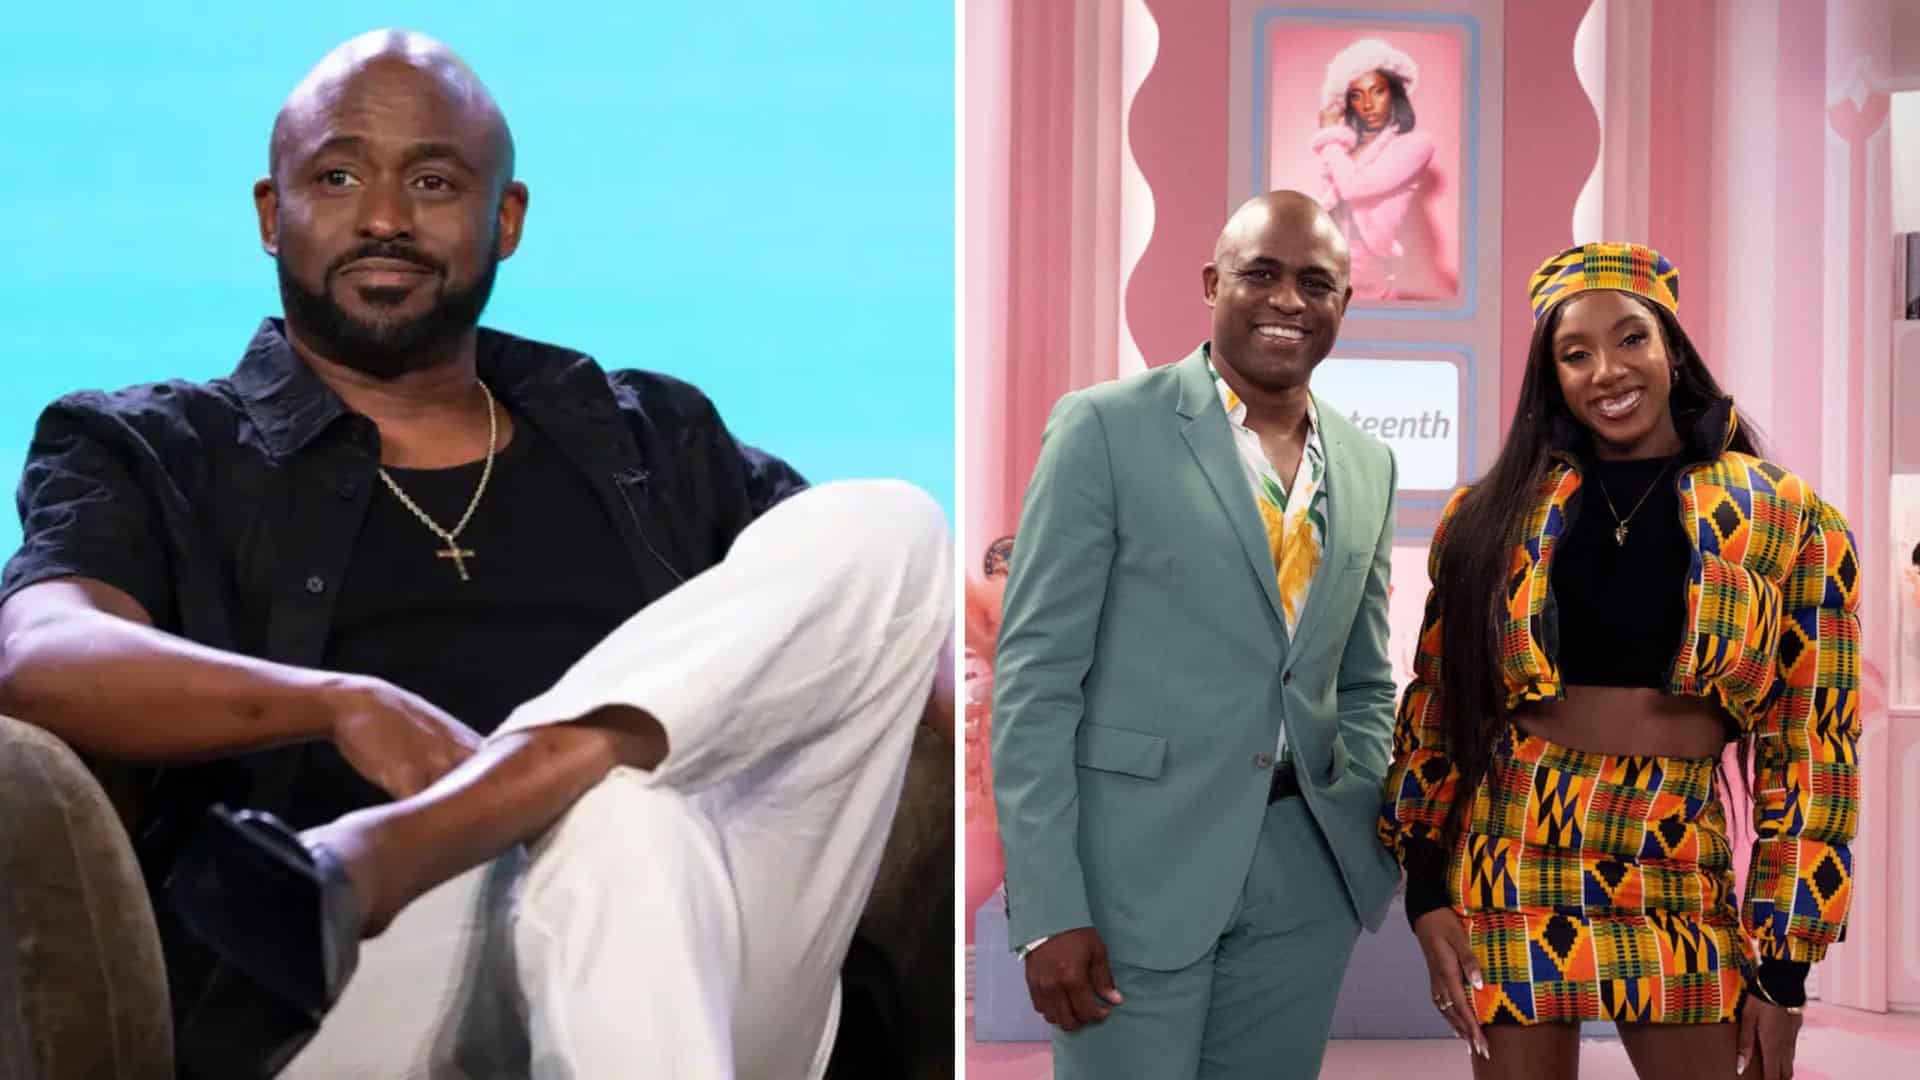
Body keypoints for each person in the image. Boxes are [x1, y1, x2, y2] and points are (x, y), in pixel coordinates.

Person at [0, 30, 951, 1080]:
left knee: (891, 522)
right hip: (354, 992)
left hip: (705, 955)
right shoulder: (154, 447)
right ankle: (491, 822)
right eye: (339, 174)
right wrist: (334, 702)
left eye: (435, 180)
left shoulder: (653, 437)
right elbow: (40, 654)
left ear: (507, 220)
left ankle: (431, 830)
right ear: (274, 216)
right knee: (620, 826)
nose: (385, 218)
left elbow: (863, 608)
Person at [1379, 242, 1860, 1079]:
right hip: (1514, 847)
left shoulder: (1783, 514)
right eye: (1575, 353)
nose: (1608, 369)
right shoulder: (1490, 515)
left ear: (1672, 347)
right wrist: (1426, 892)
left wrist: (1784, 973)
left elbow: (1814, 746)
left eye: (1631, 338)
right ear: (1552, 377)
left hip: (1675, 845)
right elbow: (1439, 712)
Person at [992, 190, 1402, 1078]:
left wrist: (1359, 796)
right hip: (1129, 874)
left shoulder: (1369, 464)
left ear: (1342, 304)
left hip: (1308, 874)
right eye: (1261, 274)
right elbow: (1035, 680)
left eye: (1316, 283)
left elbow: (1365, 678)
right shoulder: (1105, 426)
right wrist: (1047, 907)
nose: (1288, 300)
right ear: (1213, 283)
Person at [1312, 38, 1437, 301]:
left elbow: (1356, 188)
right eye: (1357, 95)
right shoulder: (1345, 149)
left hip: (1369, 275)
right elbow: (1327, 208)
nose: (1368, 104)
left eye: (1377, 91)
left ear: (1394, 92)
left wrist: (1329, 136)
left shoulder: (1416, 145)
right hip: (1324, 270)